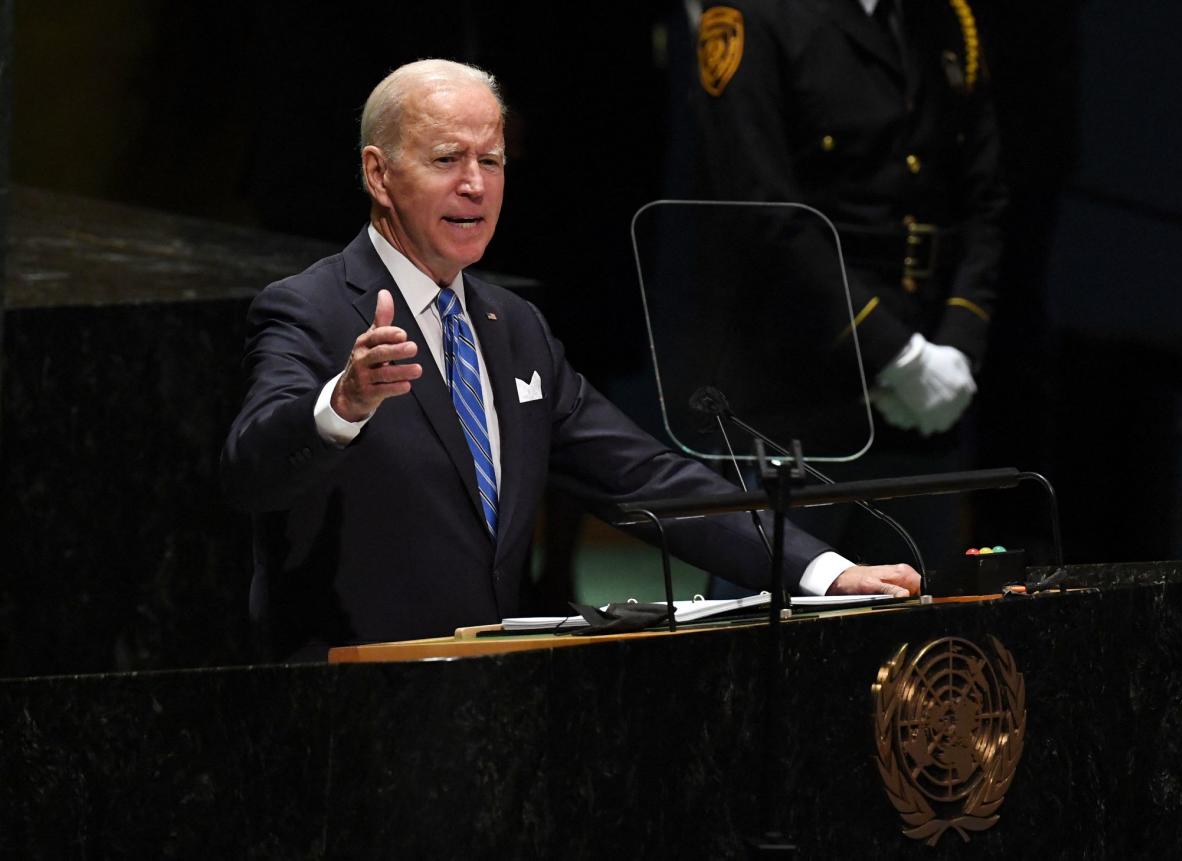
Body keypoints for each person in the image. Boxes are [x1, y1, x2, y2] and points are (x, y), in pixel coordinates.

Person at [220, 59, 918, 661]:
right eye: (445, 159)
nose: (475, 184)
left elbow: (647, 478)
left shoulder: (513, 327)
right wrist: (341, 407)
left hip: (493, 706)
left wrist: (822, 570)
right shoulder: (309, 309)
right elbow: (250, 471)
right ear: (378, 173)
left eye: (490, 160)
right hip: (350, 712)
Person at [693, 0, 1007, 569]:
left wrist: (956, 346)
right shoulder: (754, 16)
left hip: (924, 399)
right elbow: (764, 212)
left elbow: (984, 202)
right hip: (801, 397)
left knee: (916, 638)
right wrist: (893, 354)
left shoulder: (945, 19)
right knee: (771, 630)